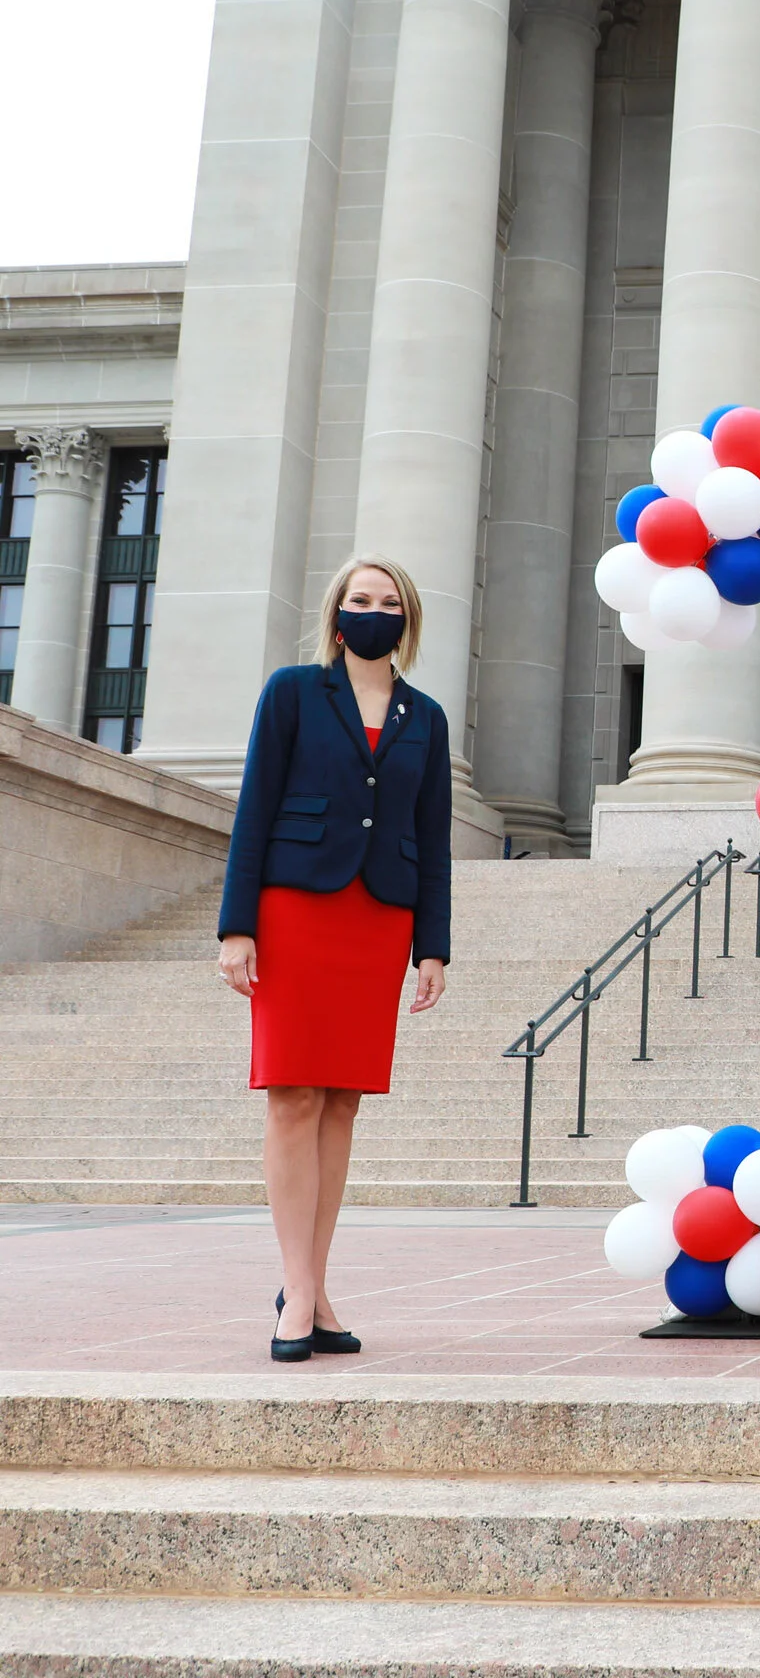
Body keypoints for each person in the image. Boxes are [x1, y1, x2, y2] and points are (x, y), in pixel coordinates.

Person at [216, 555, 452, 1363]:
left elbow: (433, 837)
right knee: (292, 1094)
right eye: (360, 599)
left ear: (406, 618)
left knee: (343, 1102)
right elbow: (255, 806)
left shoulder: (426, 716)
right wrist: (236, 926)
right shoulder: (293, 691)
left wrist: (433, 946)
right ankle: (297, 1290)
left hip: (379, 918)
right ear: (337, 612)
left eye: (388, 601)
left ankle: (312, 1289)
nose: (373, 611)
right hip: (295, 910)